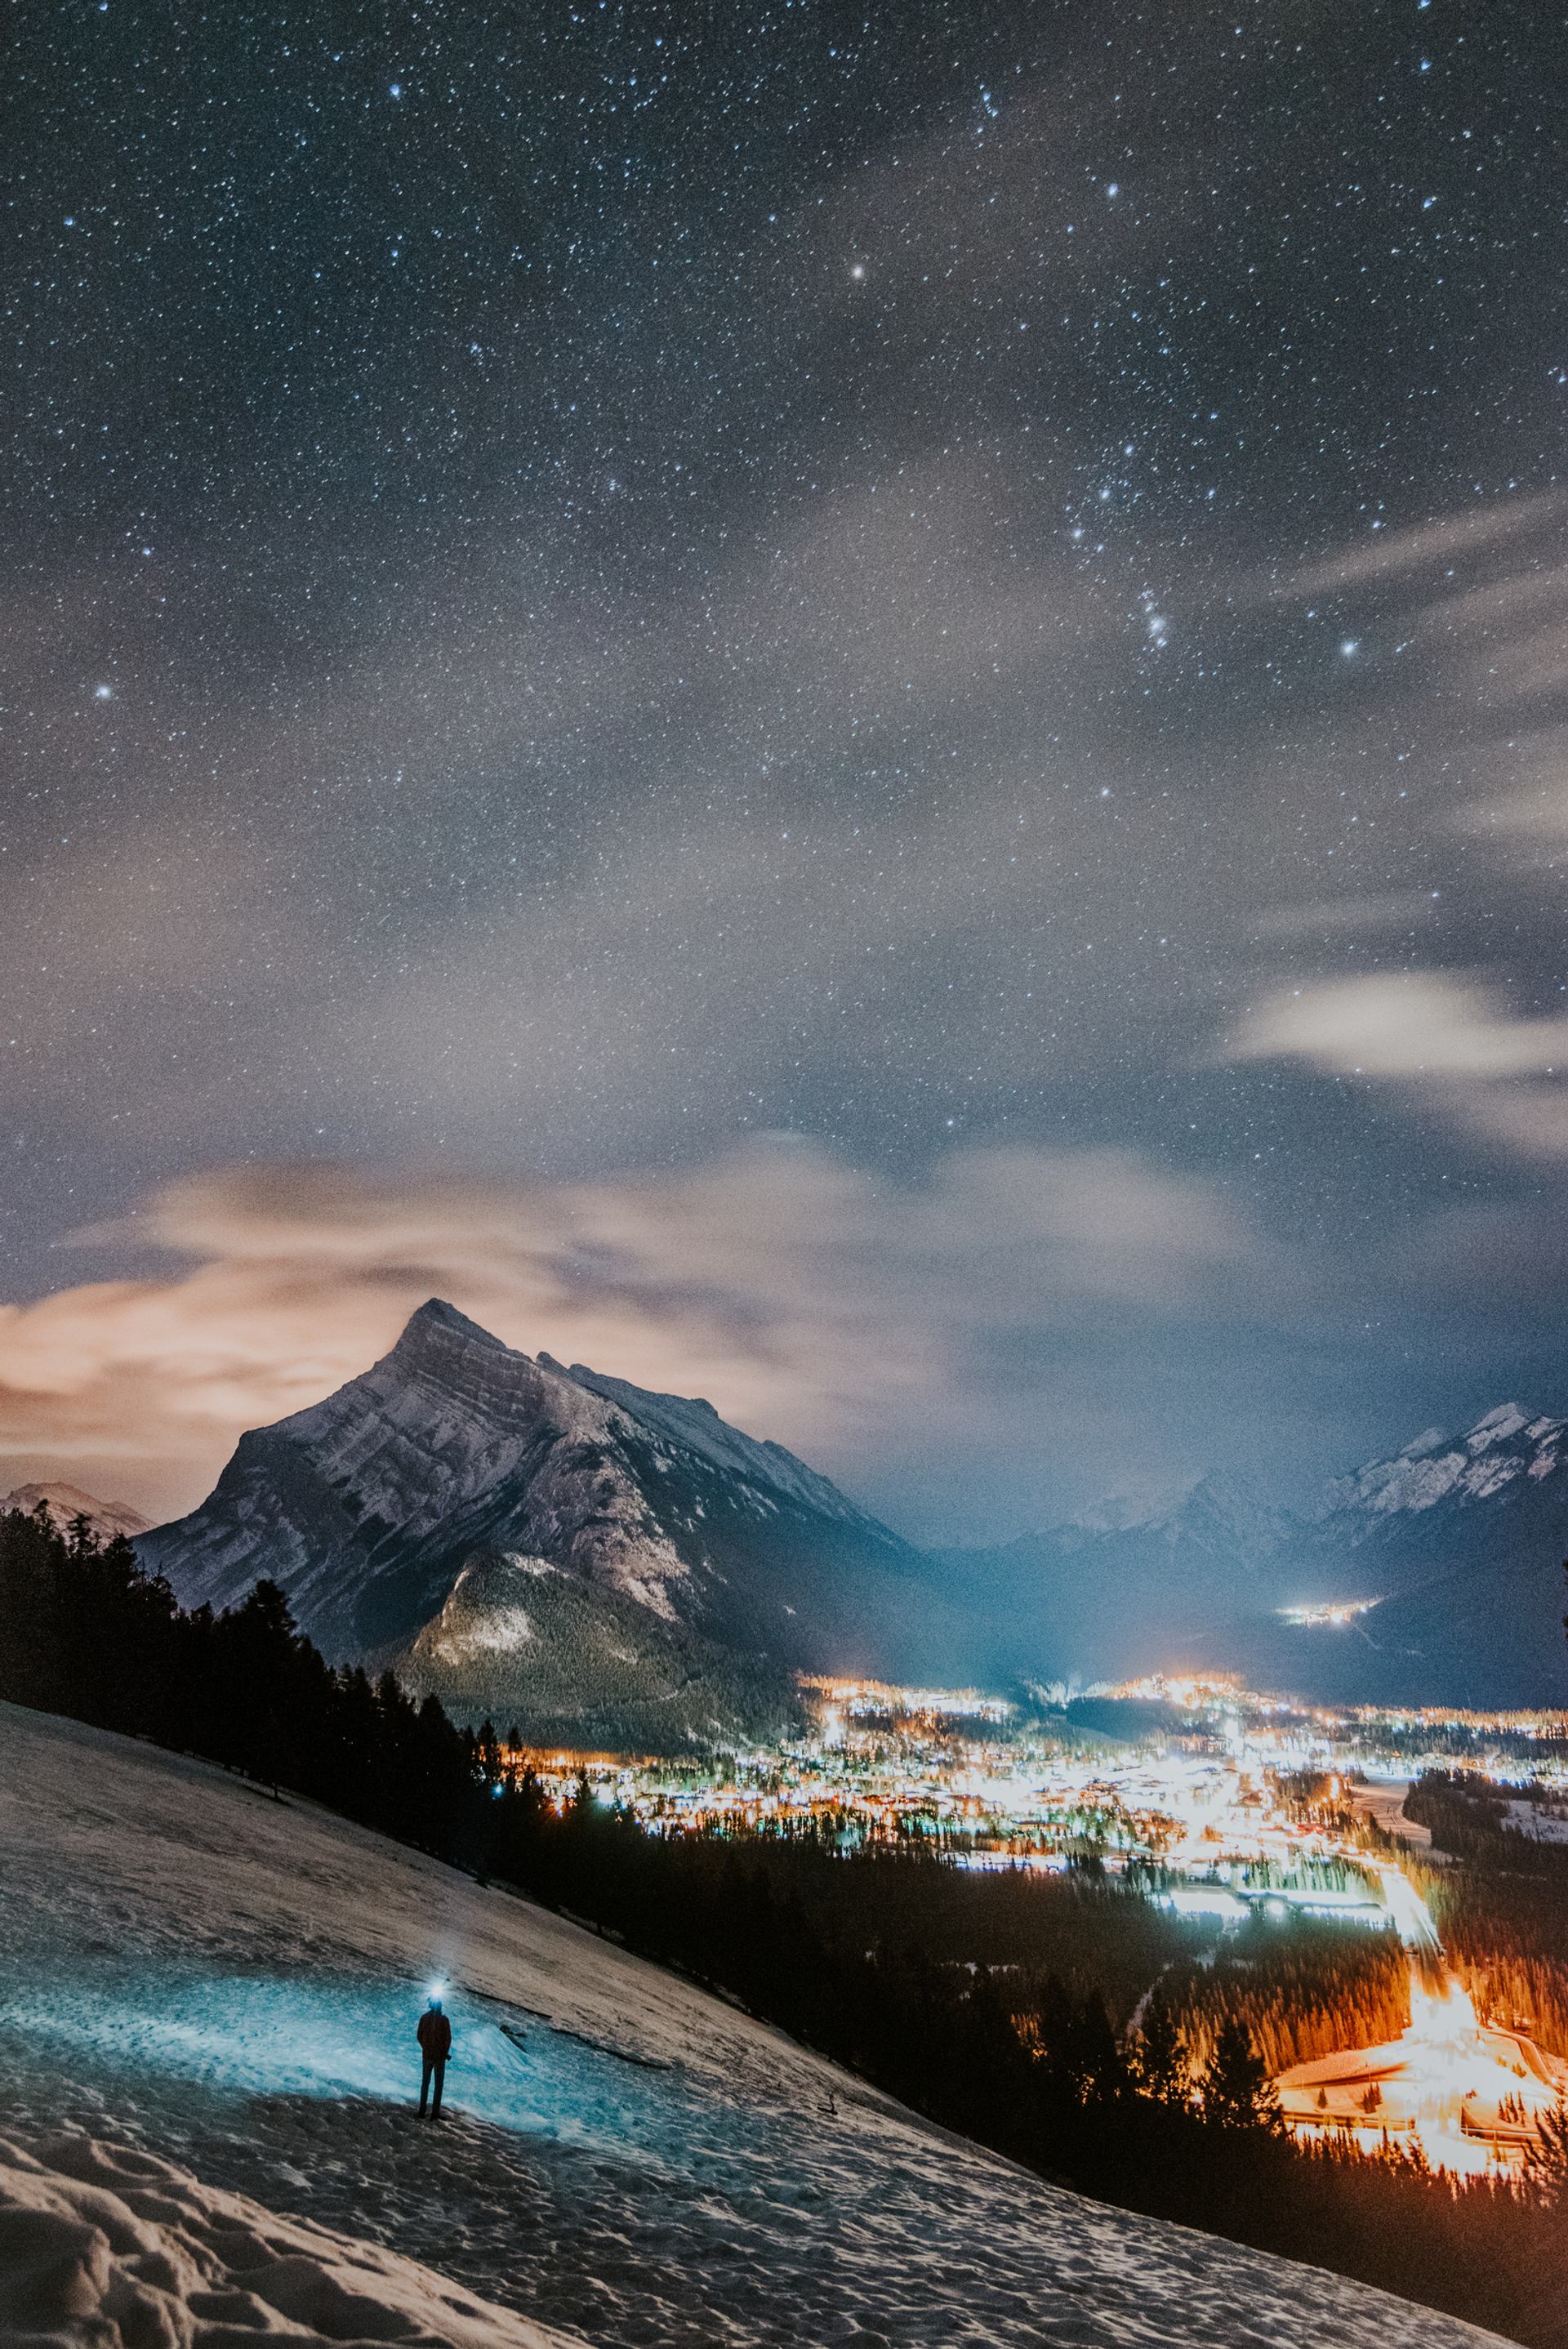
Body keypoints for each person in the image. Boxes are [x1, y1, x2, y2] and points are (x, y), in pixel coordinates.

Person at [416, 1995, 452, 2119]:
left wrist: (426, 2048)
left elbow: (419, 2036)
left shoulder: (424, 2018)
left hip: (427, 2056)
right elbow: (448, 2039)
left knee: (425, 2084)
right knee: (438, 2085)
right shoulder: (444, 2020)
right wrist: (443, 2053)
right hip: (439, 2058)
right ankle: (434, 2113)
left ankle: (422, 2112)